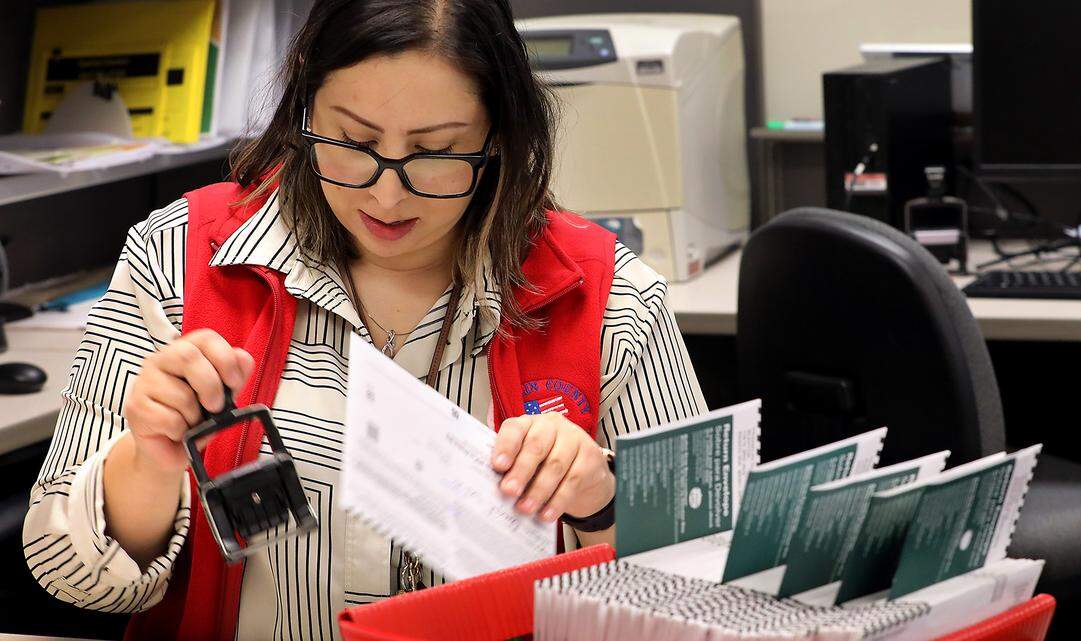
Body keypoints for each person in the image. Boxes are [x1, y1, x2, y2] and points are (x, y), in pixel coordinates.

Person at [23, 1, 706, 639]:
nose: (386, 192)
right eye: (353, 139)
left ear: (498, 137)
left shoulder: (610, 297)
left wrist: (602, 503)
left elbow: (704, 595)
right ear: (303, 106)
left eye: (435, 151)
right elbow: (67, 573)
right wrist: (146, 461)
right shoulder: (176, 258)